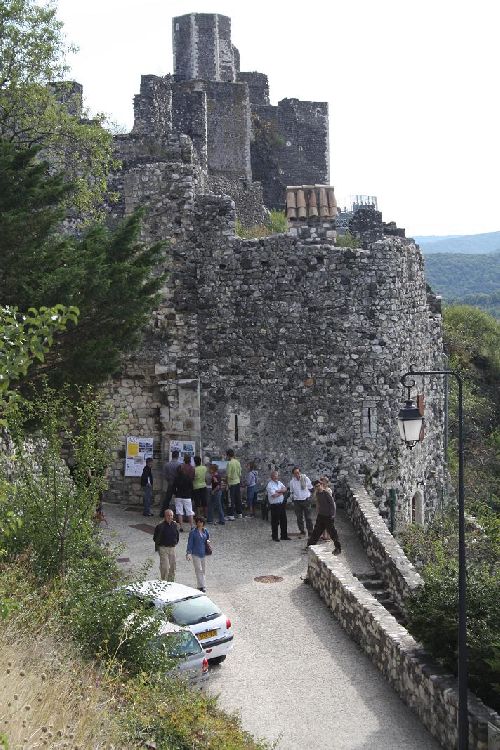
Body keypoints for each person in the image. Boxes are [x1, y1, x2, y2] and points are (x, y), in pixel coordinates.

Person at [305, 478, 341, 554]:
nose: (318, 487)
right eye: (316, 486)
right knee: (316, 532)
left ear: (321, 485)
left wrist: (332, 515)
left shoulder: (326, 493)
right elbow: (318, 504)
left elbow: (332, 504)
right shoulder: (317, 494)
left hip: (328, 516)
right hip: (321, 516)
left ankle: (338, 548)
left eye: (319, 485)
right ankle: (309, 545)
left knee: (332, 533)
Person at [153, 509, 179, 581]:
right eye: (168, 515)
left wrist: (175, 542)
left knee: (173, 566)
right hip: (163, 548)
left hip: (172, 548)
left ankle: (171, 582)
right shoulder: (160, 526)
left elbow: (177, 535)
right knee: (165, 567)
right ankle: (164, 582)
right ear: (165, 516)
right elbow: (155, 538)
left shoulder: (174, 524)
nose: (170, 517)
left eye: (171, 515)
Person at [186, 516, 210, 592]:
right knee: (198, 570)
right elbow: (190, 543)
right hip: (195, 553)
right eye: (198, 522)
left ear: (203, 523)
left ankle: (201, 585)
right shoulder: (193, 532)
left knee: (203, 570)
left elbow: (207, 539)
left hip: (203, 553)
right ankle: (201, 586)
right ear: (196, 523)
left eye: (201, 522)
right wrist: (188, 553)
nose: (199, 523)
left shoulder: (205, 531)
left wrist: (208, 543)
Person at [266, 470, 291, 542]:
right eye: (274, 476)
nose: (276, 477)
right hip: (274, 505)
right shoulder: (270, 485)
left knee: (284, 521)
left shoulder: (279, 483)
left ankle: (284, 536)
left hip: (281, 504)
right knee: (275, 522)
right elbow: (274, 495)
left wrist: (279, 491)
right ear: (272, 477)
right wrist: (281, 492)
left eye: (277, 476)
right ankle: (275, 537)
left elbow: (285, 489)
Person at [289, 466, 313, 538]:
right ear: (293, 474)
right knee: (299, 517)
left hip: (306, 500)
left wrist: (310, 497)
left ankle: (310, 532)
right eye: (295, 473)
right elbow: (291, 492)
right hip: (297, 501)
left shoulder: (305, 479)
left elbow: (311, 488)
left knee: (308, 517)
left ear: (300, 472)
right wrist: (292, 499)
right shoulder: (292, 482)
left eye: (298, 472)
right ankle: (302, 531)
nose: (297, 474)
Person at [172, 463, 194, 532]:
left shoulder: (176, 478)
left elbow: (173, 488)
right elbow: (191, 487)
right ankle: (191, 526)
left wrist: (176, 493)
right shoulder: (188, 477)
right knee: (189, 512)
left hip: (178, 496)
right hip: (187, 496)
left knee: (179, 512)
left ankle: (181, 527)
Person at [160, 449, 181, 517]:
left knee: (167, 499)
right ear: (177, 456)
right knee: (178, 499)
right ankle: (178, 514)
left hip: (170, 483)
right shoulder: (179, 464)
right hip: (178, 484)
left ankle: (163, 513)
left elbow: (164, 475)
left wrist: (168, 480)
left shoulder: (167, 464)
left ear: (172, 456)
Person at [226, 448, 243, 519]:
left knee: (231, 499)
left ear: (228, 455)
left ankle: (231, 515)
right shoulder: (238, 462)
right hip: (237, 482)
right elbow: (240, 473)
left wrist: (227, 483)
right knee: (238, 498)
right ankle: (239, 513)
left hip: (231, 483)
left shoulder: (229, 463)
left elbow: (228, 475)